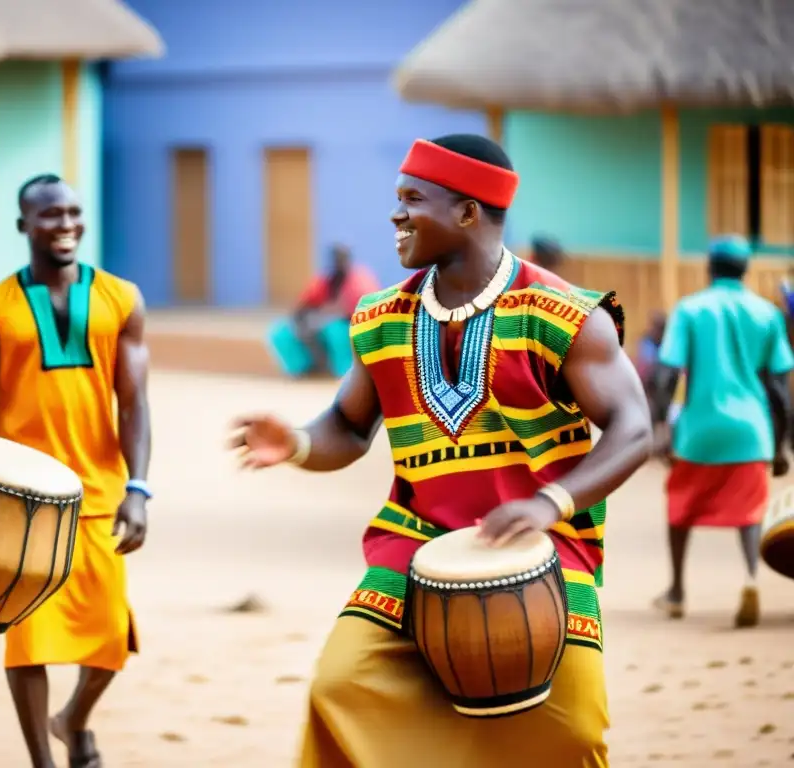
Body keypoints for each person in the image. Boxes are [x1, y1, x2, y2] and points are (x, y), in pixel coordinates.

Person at [230, 134, 652, 767]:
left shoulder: (563, 315)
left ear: (467, 212)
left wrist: (549, 504)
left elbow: (634, 427)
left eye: (411, 199)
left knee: (574, 729)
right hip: (413, 544)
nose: (396, 214)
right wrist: (292, 442)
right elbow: (346, 429)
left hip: (544, 549)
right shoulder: (381, 317)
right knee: (339, 688)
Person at [0, 173, 151, 768]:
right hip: (25, 502)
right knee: (30, 645)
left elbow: (135, 402)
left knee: (110, 637)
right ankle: (43, 759)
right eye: (48, 215)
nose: (64, 224)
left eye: (72, 212)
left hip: (100, 493)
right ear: (23, 226)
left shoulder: (122, 298)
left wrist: (138, 489)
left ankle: (73, 720)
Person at [651, 234, 793, 628]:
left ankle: (677, 591)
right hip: (752, 430)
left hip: (700, 428)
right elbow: (780, 390)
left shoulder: (690, 310)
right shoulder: (767, 314)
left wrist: (662, 426)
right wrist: (780, 446)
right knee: (749, 513)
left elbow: (665, 375)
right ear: (745, 269)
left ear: (709, 267)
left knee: (680, 507)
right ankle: (750, 579)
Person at [268, 244, 380, 378]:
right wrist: (303, 318)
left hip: (353, 325)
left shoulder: (359, 279)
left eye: (341, 259)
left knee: (336, 331)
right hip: (322, 321)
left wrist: (332, 313)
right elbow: (304, 303)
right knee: (281, 332)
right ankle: (302, 368)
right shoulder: (326, 279)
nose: (338, 262)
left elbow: (363, 310)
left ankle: (347, 373)